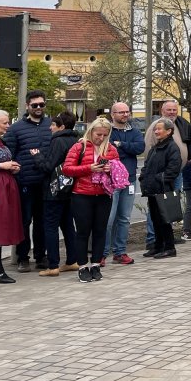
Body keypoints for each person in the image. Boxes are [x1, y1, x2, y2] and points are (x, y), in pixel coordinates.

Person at [62, 116, 119, 283]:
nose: (100, 138)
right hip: (81, 194)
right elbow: (67, 169)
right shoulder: (79, 146)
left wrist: (110, 168)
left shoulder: (111, 149)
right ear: (91, 131)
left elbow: (118, 170)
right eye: (98, 134)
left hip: (103, 194)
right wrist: (89, 168)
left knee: (100, 230)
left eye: (104, 135)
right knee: (83, 231)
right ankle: (82, 266)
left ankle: (95, 264)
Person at [3, 90, 52, 273]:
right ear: (27, 106)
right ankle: (23, 258)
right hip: (24, 182)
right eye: (35, 105)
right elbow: (9, 154)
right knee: (24, 221)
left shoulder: (51, 125)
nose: (39, 108)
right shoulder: (15, 129)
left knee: (43, 221)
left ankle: (41, 256)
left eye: (41, 104)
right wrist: (15, 172)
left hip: (46, 182)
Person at [29, 111, 80, 276]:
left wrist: (37, 157)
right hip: (70, 189)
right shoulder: (76, 140)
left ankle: (53, 265)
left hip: (54, 191)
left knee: (50, 227)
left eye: (53, 124)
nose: (50, 127)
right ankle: (72, 260)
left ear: (61, 127)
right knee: (68, 226)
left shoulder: (58, 141)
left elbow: (48, 167)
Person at [144, 100, 191, 251]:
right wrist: (156, 175)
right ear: (162, 110)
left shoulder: (178, 124)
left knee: (168, 208)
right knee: (157, 209)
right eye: (169, 110)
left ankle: (167, 239)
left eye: (175, 110)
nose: (172, 112)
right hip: (162, 176)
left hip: (175, 174)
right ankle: (154, 239)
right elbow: (149, 150)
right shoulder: (158, 126)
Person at [104, 101, 144, 266]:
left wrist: (121, 145)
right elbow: (107, 150)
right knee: (108, 219)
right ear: (113, 114)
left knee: (125, 218)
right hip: (111, 180)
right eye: (121, 112)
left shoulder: (134, 131)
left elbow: (140, 147)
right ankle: (102, 253)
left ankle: (120, 252)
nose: (125, 115)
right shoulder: (107, 131)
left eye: (127, 112)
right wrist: (126, 148)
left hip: (129, 180)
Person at [139, 118, 183, 259]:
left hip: (162, 188)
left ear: (169, 131)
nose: (156, 131)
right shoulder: (155, 148)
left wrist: (159, 179)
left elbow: (174, 168)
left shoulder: (171, 147)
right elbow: (146, 166)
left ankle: (169, 247)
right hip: (152, 189)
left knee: (164, 219)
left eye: (159, 129)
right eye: (155, 129)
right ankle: (158, 246)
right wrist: (143, 177)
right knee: (155, 219)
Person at [0, 109, 24, 285]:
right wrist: (2, 165)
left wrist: (12, 167)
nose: (8, 125)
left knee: (1, 227)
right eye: (4, 122)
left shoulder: (0, 141)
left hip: (4, 186)